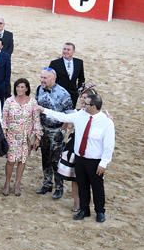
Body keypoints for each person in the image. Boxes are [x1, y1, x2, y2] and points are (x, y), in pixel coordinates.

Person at [38, 91, 115, 222]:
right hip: (80, 158)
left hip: (95, 160)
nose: (83, 105)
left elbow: (109, 145)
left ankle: (100, 211)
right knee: (82, 185)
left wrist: (104, 163)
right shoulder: (80, 115)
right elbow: (62, 117)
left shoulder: (106, 123)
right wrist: (44, 110)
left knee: (97, 187)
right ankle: (84, 210)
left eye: (87, 104)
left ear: (94, 106)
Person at [35, 68, 74, 199]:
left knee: (55, 160)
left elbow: (69, 115)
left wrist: (62, 131)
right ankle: (47, 183)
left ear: (53, 79)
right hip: (43, 128)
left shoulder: (64, 94)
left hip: (57, 130)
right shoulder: (39, 89)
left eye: (45, 78)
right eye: (41, 77)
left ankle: (59, 187)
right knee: (45, 157)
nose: (42, 80)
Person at [2, 78, 42, 197]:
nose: (19, 89)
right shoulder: (9, 101)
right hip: (11, 136)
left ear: (27, 88)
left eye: (22, 87)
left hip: (26, 137)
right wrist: (4, 134)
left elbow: (36, 120)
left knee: (22, 161)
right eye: (18, 87)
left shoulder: (32, 102)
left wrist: (38, 137)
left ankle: (18, 183)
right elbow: (4, 119)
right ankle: (7, 183)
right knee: (10, 161)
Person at [49, 42, 85, 108]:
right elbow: (49, 78)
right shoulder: (54, 63)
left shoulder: (79, 62)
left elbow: (81, 78)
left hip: (73, 95)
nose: (65, 51)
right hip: (58, 95)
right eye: (64, 49)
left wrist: (79, 91)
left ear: (73, 51)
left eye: (68, 50)